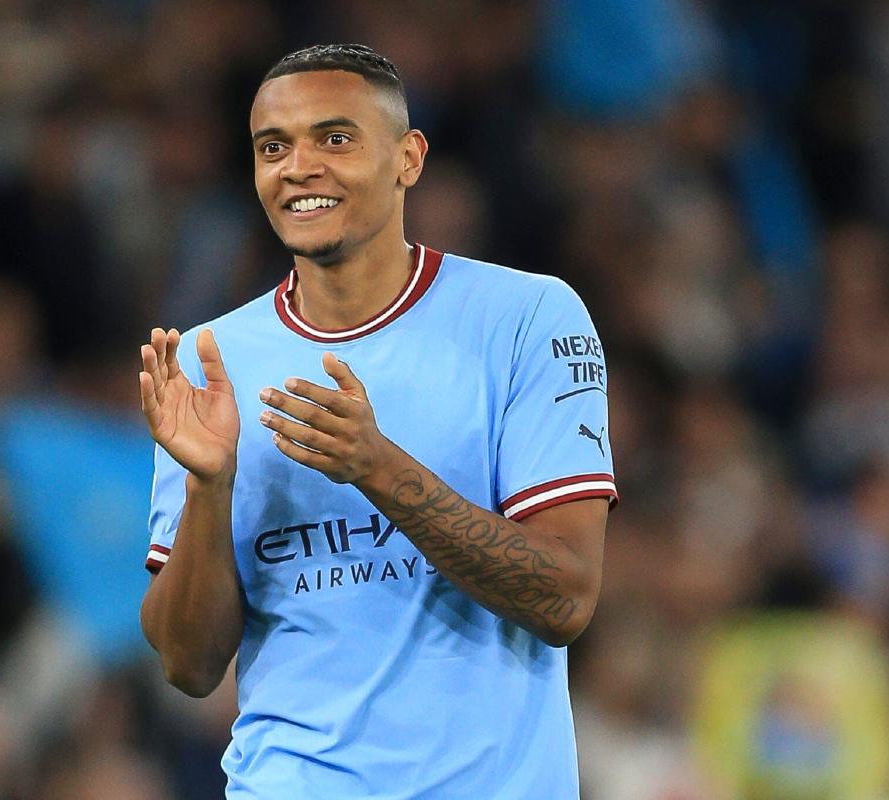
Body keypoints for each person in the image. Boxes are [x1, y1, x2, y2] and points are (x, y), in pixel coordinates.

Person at [138, 44, 617, 798]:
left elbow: (564, 598)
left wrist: (376, 466)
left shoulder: (526, 318)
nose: (299, 167)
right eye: (273, 148)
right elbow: (189, 666)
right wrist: (210, 485)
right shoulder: (209, 360)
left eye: (334, 138)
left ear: (408, 158)